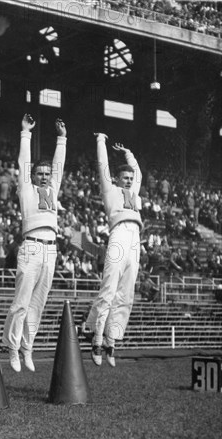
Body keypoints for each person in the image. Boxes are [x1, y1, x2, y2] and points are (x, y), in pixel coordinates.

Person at [2, 114, 67, 373]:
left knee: (37, 304)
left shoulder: (52, 189)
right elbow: (23, 161)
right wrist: (26, 132)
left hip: (50, 248)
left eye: (46, 173)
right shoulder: (26, 190)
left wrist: (62, 138)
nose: (43, 176)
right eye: (39, 173)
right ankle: (12, 347)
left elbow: (59, 166)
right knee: (21, 301)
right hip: (30, 245)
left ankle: (28, 347)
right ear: (32, 176)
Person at [84, 135, 142, 368]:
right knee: (109, 289)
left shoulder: (135, 193)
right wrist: (100, 142)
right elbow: (103, 166)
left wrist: (129, 153)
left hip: (135, 238)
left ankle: (111, 341)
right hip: (118, 235)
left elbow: (138, 171)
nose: (128, 181)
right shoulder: (111, 191)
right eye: (124, 178)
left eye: (130, 178)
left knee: (125, 294)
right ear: (116, 180)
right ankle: (96, 339)